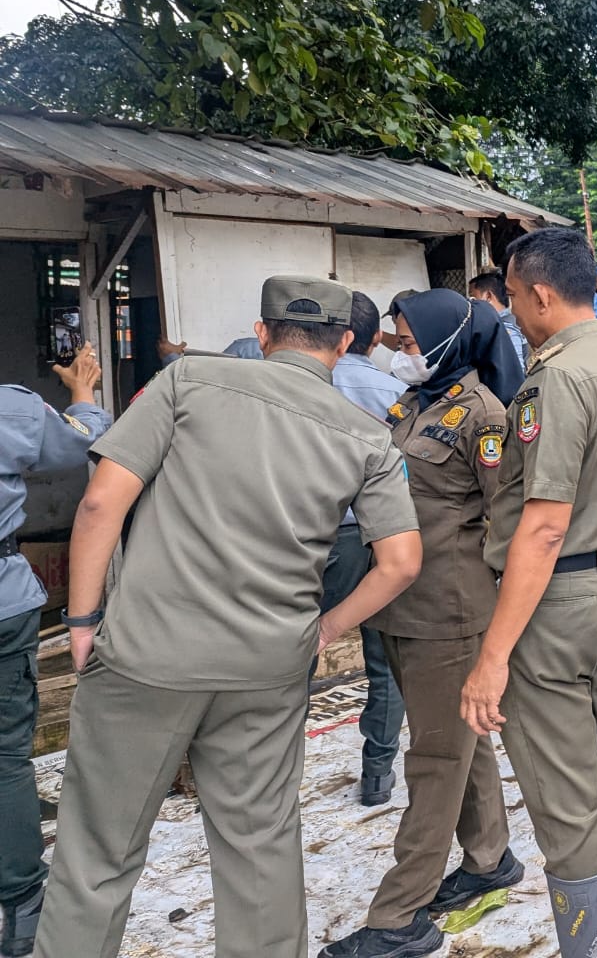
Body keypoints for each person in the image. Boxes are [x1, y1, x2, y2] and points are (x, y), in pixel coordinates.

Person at [36, 278, 423, 958]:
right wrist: (327, 630)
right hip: (268, 668)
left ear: (264, 333)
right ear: (343, 344)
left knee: (97, 853)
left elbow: (101, 504)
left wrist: (82, 618)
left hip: (144, 657)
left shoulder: (189, 383)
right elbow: (400, 562)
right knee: (260, 849)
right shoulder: (366, 436)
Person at [458, 228, 597, 958]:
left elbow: (541, 529)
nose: (512, 312)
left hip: (558, 602)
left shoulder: (558, 378)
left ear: (543, 293)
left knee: (567, 807)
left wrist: (493, 657)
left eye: (513, 297)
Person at [322, 289, 525, 958]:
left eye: (409, 342)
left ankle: (398, 915)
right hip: (399, 605)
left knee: (435, 759)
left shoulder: (484, 418)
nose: (399, 351)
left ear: (447, 341)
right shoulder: (414, 404)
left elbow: (509, 523)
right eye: (399, 341)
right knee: (458, 742)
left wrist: (501, 625)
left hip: (450, 612)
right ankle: (490, 858)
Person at [0, 348, 109, 958]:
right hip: (3, 599)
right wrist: (84, 393)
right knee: (5, 757)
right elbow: (84, 445)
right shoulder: (11, 407)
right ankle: (21, 905)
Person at [318, 291, 408, 808]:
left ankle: (270, 771)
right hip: (380, 533)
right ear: (374, 338)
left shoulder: (302, 387)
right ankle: (377, 774)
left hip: (315, 535)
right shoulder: (394, 390)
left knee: (294, 646)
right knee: (383, 656)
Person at [469, 268, 529, 370]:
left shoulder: (506, 326)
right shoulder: (503, 322)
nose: (470, 304)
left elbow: (515, 369)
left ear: (488, 296)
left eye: (473, 298)